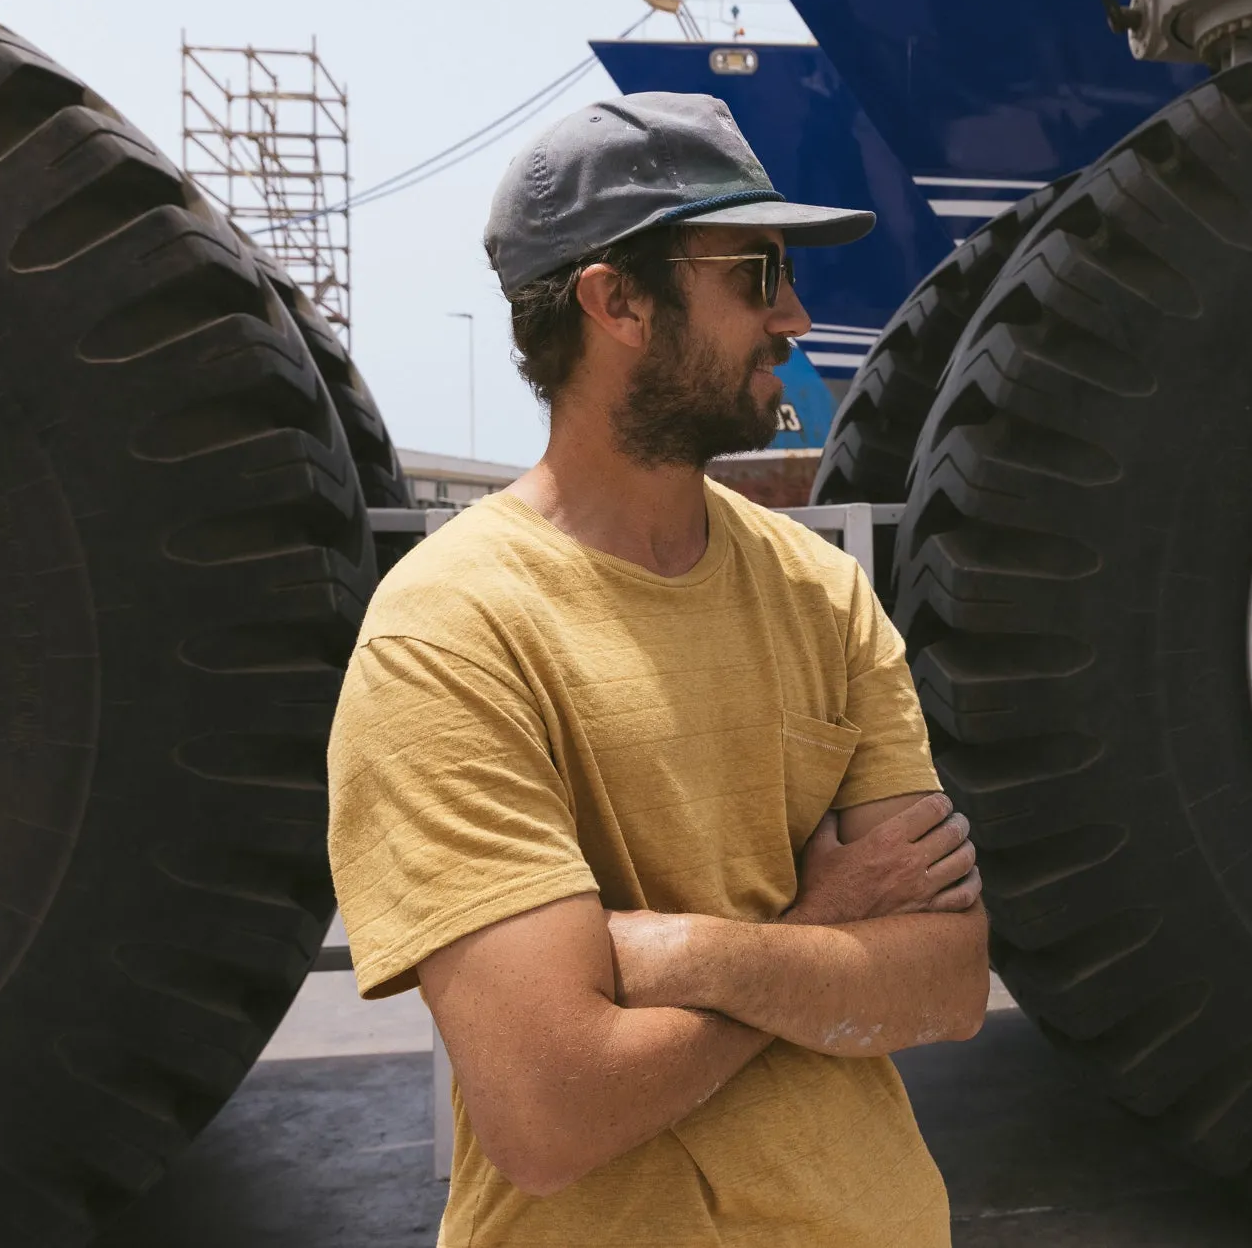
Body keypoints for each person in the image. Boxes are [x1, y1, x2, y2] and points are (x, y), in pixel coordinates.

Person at [325, 92, 989, 1248]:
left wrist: (689, 951)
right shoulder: (447, 635)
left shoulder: (819, 594)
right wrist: (823, 926)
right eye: (755, 267)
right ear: (615, 299)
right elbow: (550, 1108)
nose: (792, 312)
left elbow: (944, 979)